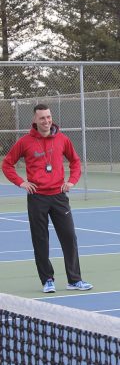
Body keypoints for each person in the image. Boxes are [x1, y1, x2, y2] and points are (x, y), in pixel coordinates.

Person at [2, 103, 93, 293]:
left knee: (69, 237)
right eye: (42, 118)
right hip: (37, 198)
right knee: (40, 240)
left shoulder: (62, 139)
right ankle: (47, 280)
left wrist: (72, 181)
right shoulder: (25, 142)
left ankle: (74, 280)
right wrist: (21, 183)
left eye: (49, 117)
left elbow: (75, 161)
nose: (46, 121)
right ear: (35, 120)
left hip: (59, 197)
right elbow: (7, 164)